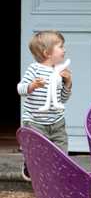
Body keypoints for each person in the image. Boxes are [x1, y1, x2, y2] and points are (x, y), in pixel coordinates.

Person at [17, 31, 72, 181]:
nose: (64, 50)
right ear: (47, 53)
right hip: (35, 121)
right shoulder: (34, 69)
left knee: (61, 150)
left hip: (57, 122)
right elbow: (20, 89)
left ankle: (58, 176)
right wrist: (32, 86)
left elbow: (63, 99)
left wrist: (68, 83)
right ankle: (30, 165)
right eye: (61, 47)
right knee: (37, 150)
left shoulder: (60, 72)